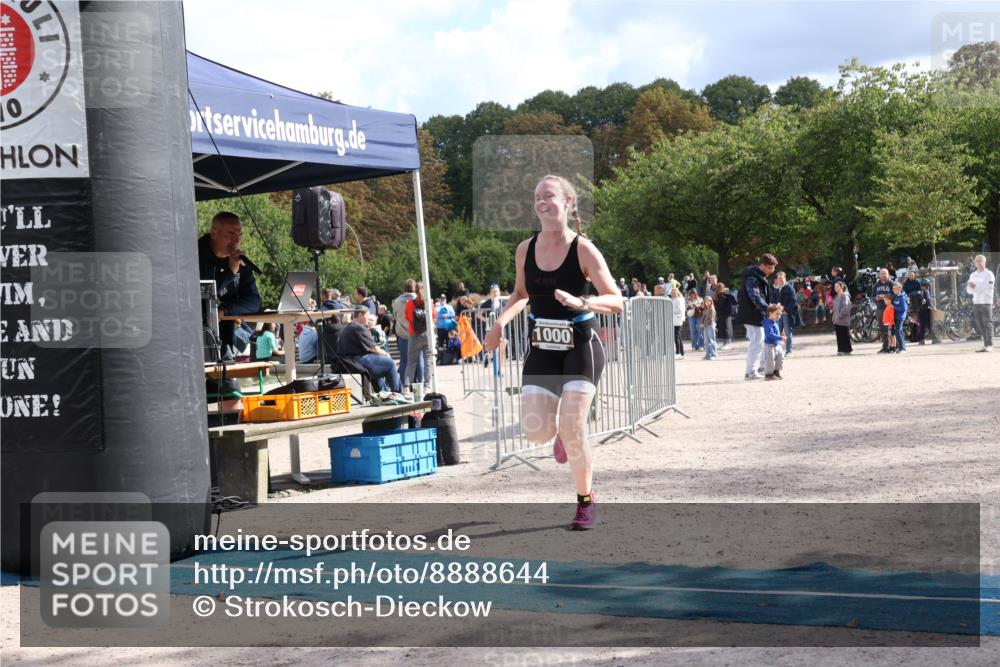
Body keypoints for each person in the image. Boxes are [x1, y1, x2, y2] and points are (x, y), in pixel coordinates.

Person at [483, 175, 623, 530]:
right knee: (535, 433)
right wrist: (499, 325)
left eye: (548, 196)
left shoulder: (584, 249)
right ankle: (560, 430)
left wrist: (583, 301)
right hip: (542, 348)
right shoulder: (524, 249)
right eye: (536, 198)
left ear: (568, 202)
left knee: (574, 425)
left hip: (581, 346)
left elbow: (617, 300)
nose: (541, 202)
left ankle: (585, 500)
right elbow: (519, 294)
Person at [198, 211, 261, 359]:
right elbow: (200, 298)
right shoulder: (195, 255)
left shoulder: (239, 260)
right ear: (214, 233)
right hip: (196, 338)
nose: (236, 241)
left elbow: (254, 302)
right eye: (230, 234)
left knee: (229, 382)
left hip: (224, 340)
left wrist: (225, 310)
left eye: (239, 235)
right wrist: (230, 272)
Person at [338, 307, 406, 397]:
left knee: (379, 363)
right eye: (367, 315)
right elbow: (375, 349)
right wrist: (386, 354)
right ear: (360, 315)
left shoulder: (347, 328)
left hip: (349, 362)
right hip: (357, 361)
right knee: (390, 363)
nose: (369, 317)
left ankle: (383, 395)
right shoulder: (358, 328)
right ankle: (398, 394)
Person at [736, 253, 778, 380]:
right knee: (757, 342)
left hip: (753, 313)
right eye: (771, 267)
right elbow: (754, 296)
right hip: (752, 314)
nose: (773, 270)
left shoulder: (756, 276)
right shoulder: (752, 277)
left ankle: (756, 369)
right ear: (763, 265)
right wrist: (768, 308)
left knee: (758, 342)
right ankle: (750, 371)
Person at [404, 284, 434, 393]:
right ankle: (427, 386)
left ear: (415, 292)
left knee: (411, 362)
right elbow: (434, 317)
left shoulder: (410, 303)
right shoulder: (429, 303)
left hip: (414, 335)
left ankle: (407, 387)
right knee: (428, 362)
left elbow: (408, 317)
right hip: (427, 335)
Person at [392, 279, 419, 383]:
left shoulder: (397, 301)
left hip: (402, 333)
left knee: (404, 360)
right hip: (416, 333)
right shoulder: (418, 299)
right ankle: (419, 384)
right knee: (418, 360)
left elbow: (395, 315)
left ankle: (405, 385)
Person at [967, 254, 995, 352]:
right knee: (980, 324)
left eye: (980, 261)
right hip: (976, 302)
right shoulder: (973, 275)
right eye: (977, 261)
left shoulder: (989, 274)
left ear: (984, 262)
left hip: (986, 302)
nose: (978, 263)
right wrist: (973, 288)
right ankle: (985, 344)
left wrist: (976, 287)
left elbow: (988, 288)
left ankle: (990, 345)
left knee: (988, 323)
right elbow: (969, 290)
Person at [769, 272, 800, 355]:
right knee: (776, 331)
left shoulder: (789, 288)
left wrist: (786, 310)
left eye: (781, 278)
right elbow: (773, 301)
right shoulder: (776, 289)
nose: (780, 280)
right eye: (779, 278)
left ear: (785, 278)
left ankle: (788, 350)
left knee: (787, 332)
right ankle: (777, 350)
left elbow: (793, 300)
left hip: (786, 314)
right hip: (777, 314)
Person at [871, 268, 895, 353]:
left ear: (888, 274)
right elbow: (872, 297)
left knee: (891, 329)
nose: (883, 275)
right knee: (882, 329)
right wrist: (876, 298)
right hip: (880, 309)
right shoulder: (876, 285)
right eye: (882, 274)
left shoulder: (892, 284)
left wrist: (885, 296)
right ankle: (885, 347)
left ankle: (893, 346)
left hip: (889, 309)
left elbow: (895, 295)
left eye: (885, 273)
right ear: (879, 275)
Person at [762, 304, 785, 380]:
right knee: (770, 360)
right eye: (777, 314)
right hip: (769, 345)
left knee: (780, 357)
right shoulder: (767, 322)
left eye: (780, 314)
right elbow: (770, 334)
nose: (779, 316)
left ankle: (776, 371)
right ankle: (768, 374)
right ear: (770, 313)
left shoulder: (775, 322)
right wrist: (780, 337)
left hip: (777, 344)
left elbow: (777, 332)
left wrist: (781, 335)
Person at [832, 280, 853, 355]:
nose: (835, 288)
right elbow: (834, 308)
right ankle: (841, 349)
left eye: (837, 286)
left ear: (841, 287)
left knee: (845, 335)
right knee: (839, 335)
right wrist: (834, 317)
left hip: (843, 319)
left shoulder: (845, 295)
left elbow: (846, 307)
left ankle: (847, 350)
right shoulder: (836, 296)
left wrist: (840, 315)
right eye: (835, 287)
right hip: (837, 320)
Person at [714, 282, 736, 349]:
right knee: (721, 328)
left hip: (726, 314)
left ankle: (727, 343)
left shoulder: (726, 295)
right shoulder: (716, 296)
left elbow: (732, 303)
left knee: (726, 328)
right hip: (720, 314)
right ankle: (723, 343)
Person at [914, 278, 935, 345]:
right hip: (926, 310)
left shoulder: (918, 292)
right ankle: (934, 339)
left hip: (920, 311)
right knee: (929, 324)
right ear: (927, 285)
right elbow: (928, 300)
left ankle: (921, 340)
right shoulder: (926, 291)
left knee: (922, 325)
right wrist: (932, 307)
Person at [891, 282, 908, 353]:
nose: (894, 290)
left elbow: (904, 308)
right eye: (893, 289)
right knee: (900, 331)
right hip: (896, 317)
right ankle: (902, 346)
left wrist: (894, 307)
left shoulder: (902, 297)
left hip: (900, 317)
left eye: (895, 289)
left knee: (898, 331)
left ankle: (902, 348)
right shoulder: (895, 297)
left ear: (900, 289)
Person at [670, 287, 686, 359]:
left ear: (677, 292)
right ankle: (682, 353)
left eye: (674, 292)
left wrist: (670, 311)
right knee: (678, 336)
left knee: (676, 336)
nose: (673, 293)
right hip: (675, 320)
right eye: (672, 292)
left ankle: (678, 352)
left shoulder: (679, 300)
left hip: (677, 320)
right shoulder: (674, 299)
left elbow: (679, 310)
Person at [701, 295, 717, 360]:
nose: (707, 302)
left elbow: (711, 320)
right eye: (706, 301)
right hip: (705, 326)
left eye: (708, 301)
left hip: (710, 326)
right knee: (706, 341)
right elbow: (703, 317)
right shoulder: (705, 310)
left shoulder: (712, 310)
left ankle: (713, 355)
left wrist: (703, 324)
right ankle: (707, 354)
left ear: (711, 302)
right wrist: (701, 323)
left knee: (712, 341)